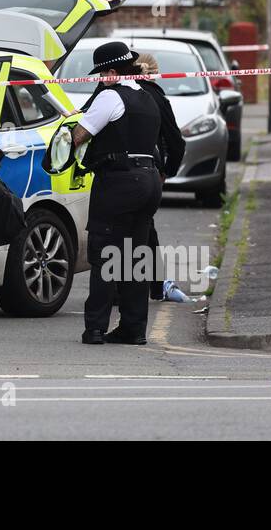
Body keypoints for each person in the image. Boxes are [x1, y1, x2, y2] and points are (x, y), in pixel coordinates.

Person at [67, 41, 165, 345]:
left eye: (100, 73)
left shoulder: (110, 96)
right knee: (136, 256)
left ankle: (95, 328)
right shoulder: (148, 97)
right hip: (150, 181)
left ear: (111, 72)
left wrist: (65, 135)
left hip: (119, 183)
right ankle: (134, 329)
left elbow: (79, 136)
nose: (99, 79)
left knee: (105, 253)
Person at [135, 53, 186, 301]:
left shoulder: (112, 92)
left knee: (115, 231)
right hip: (149, 172)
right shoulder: (156, 97)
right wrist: (167, 171)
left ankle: (117, 289)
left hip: (112, 172)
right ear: (155, 72)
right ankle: (154, 287)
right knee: (146, 229)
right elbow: (176, 143)